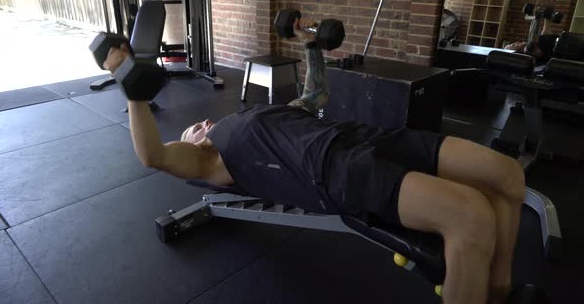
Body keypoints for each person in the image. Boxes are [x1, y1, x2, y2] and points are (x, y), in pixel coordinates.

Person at [104, 18, 526, 304]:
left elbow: (317, 94)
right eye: (194, 128)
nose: (202, 122)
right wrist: (132, 90)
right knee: (471, 216)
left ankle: (499, 287)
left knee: (505, 175)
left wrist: (311, 45)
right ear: (193, 145)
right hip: (334, 170)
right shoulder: (211, 158)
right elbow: (153, 156)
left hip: (363, 136)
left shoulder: (257, 115)